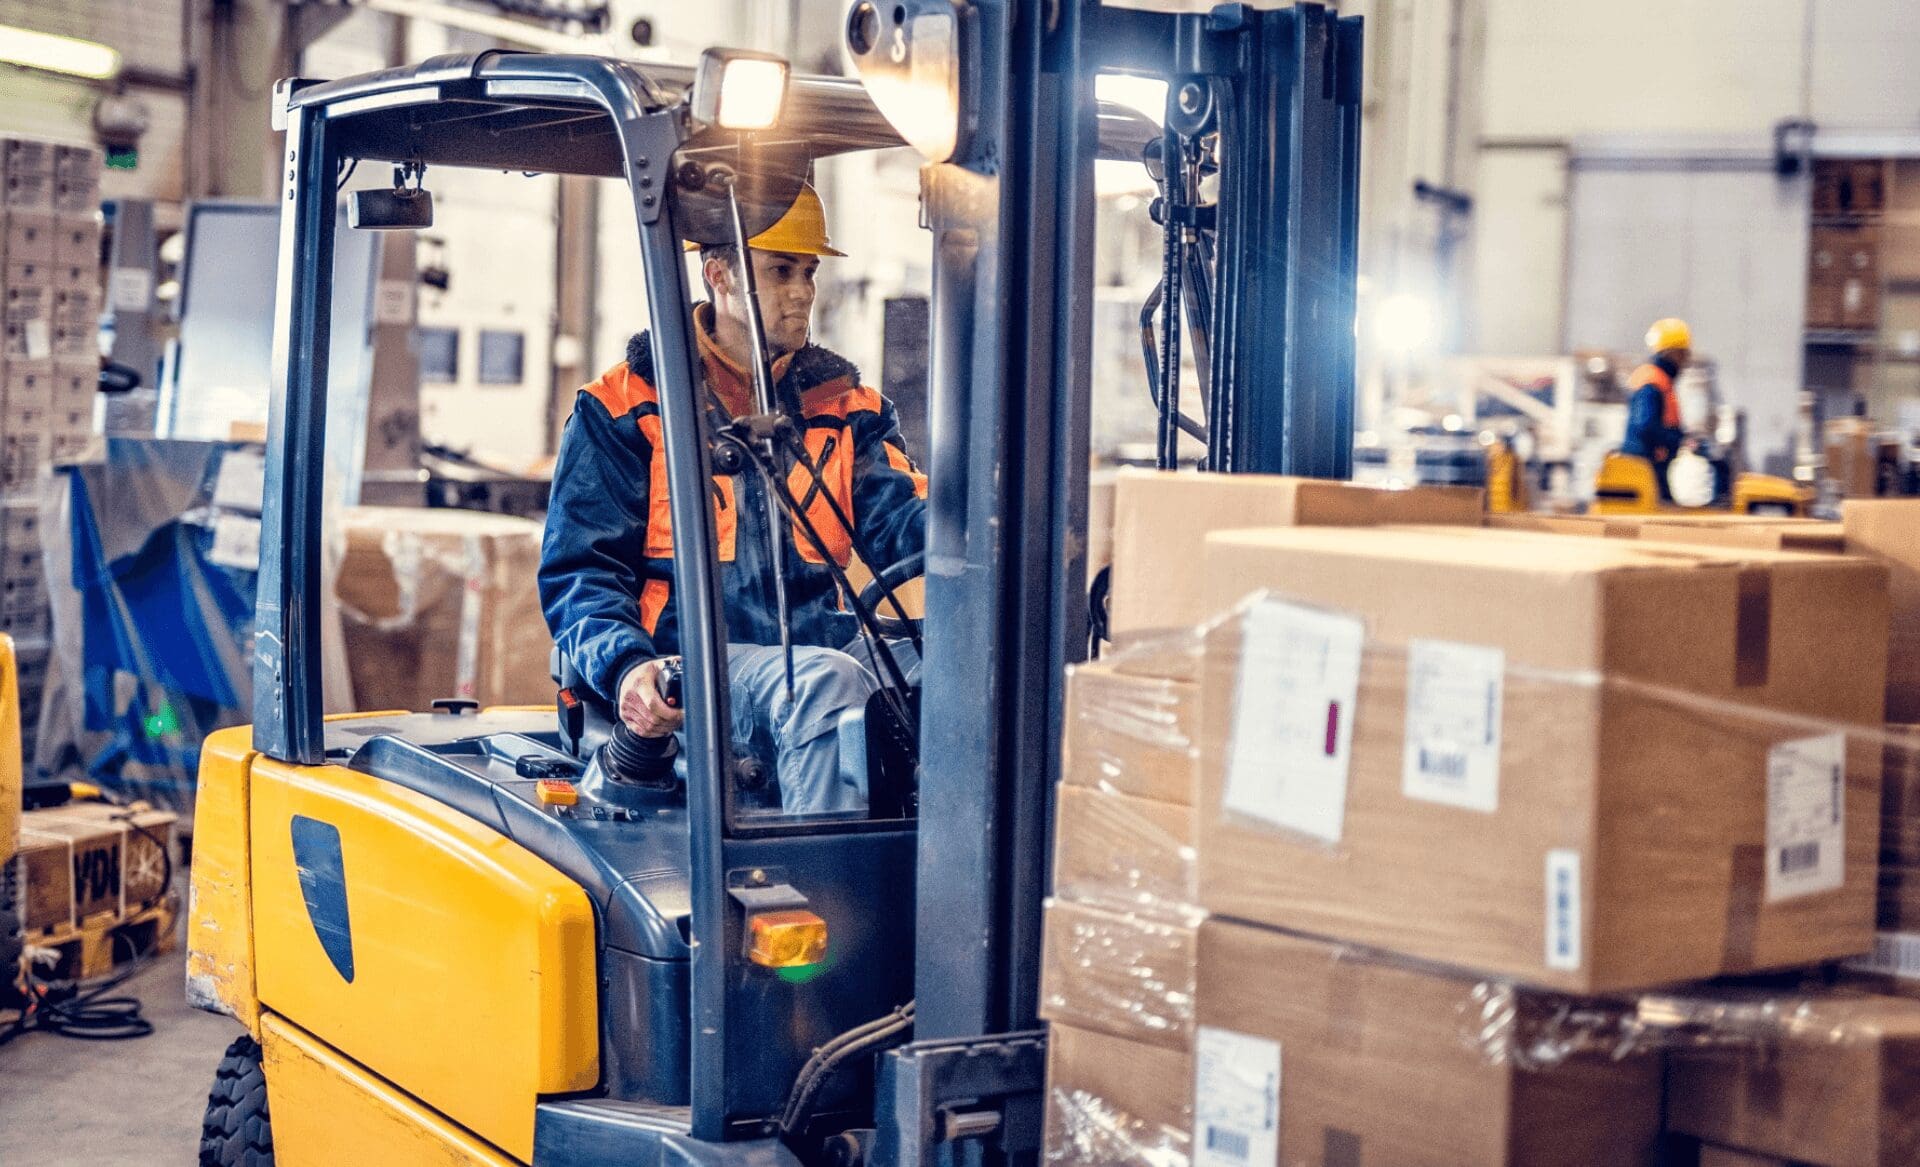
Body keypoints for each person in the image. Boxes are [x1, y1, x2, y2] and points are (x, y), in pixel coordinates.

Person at [539, 184, 927, 816]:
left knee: (957, 670)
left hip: (818, 643)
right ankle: (826, 898)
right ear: (717, 273)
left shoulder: (845, 408)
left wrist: (988, 535)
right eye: (780, 270)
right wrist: (626, 666)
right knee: (821, 686)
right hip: (687, 660)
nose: (802, 291)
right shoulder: (626, 407)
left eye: (809, 271)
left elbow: (905, 523)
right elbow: (579, 573)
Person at [1620, 318, 1692, 500]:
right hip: (1644, 465)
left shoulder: (1659, 379)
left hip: (1650, 464)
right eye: (1683, 354)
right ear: (1671, 353)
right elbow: (1645, 425)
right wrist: (1677, 438)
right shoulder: (1652, 382)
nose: (1685, 361)